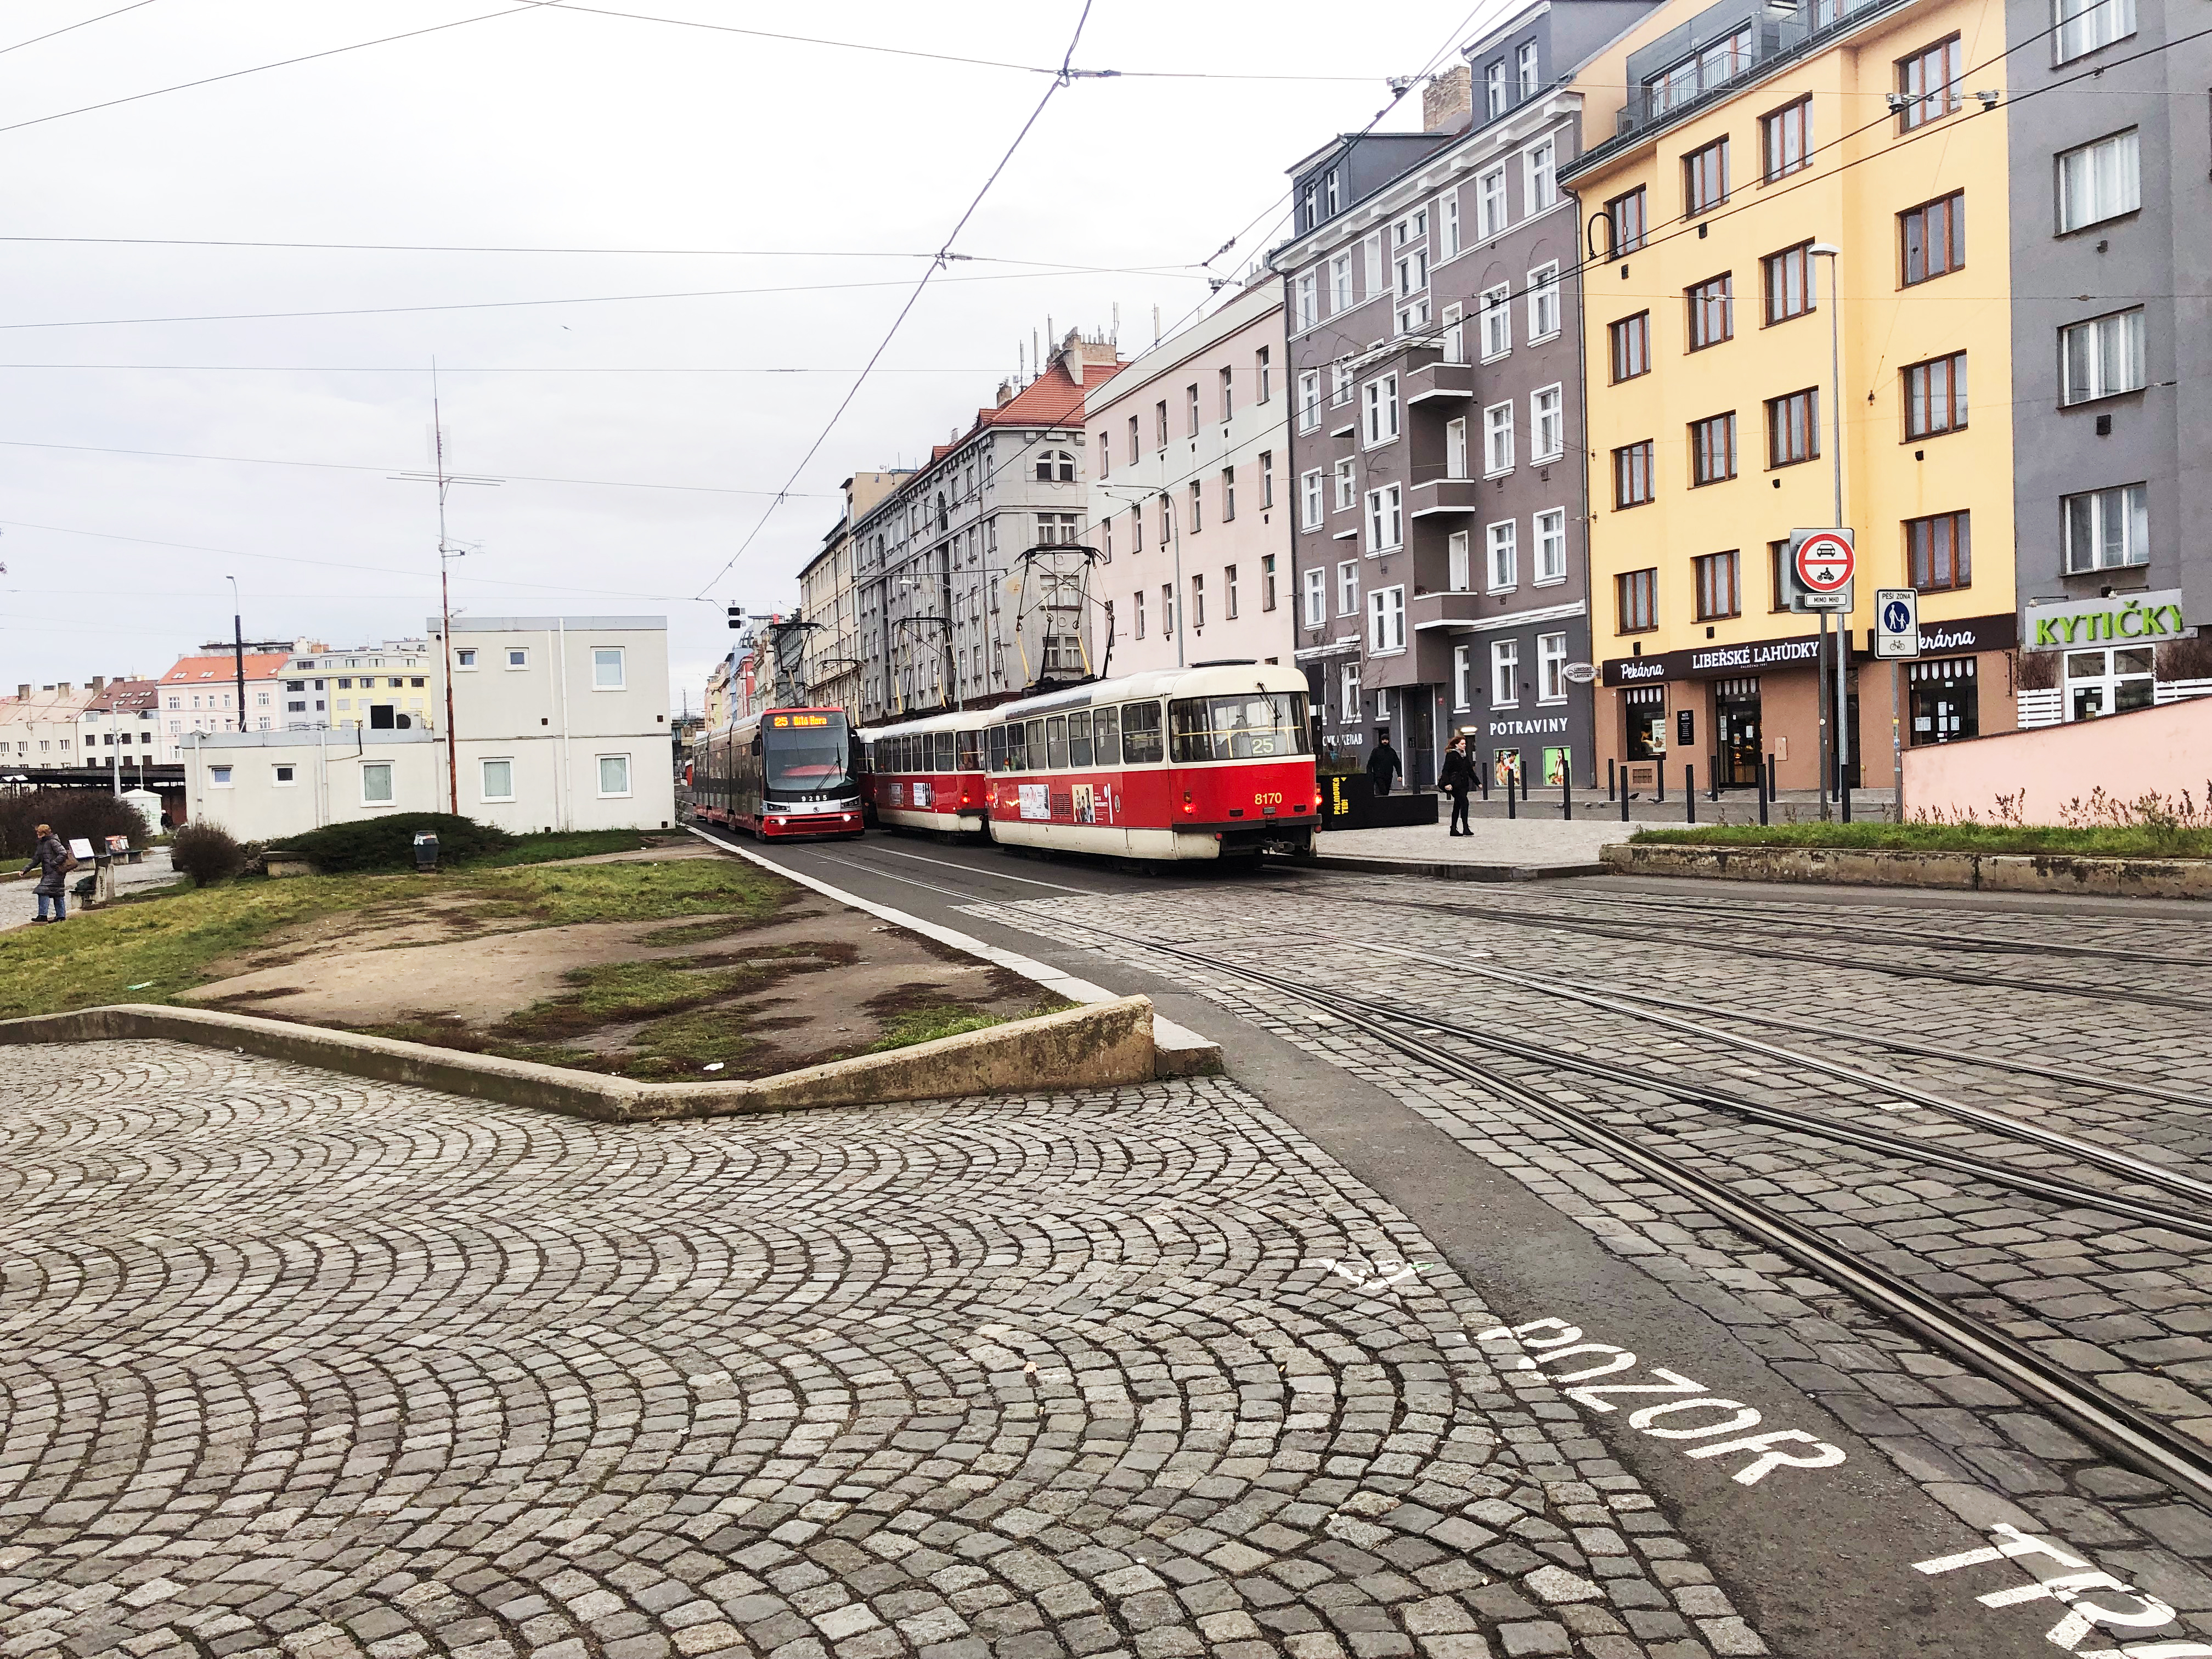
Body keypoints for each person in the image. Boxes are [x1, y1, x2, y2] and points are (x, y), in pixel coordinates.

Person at [21, 823, 73, 923]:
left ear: (45, 833)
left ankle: (43, 915)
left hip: (56, 872)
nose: (38, 835)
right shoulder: (42, 844)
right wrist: (25, 870)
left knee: (43, 891)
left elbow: (63, 853)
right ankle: (61, 916)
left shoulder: (53, 842)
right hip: (50, 872)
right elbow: (36, 859)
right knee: (57, 893)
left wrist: (53, 863)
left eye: (39, 833)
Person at [1438, 736, 1474, 836]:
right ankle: (1465, 827)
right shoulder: (1452, 755)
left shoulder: (1464, 756)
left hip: (1463, 784)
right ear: (1456, 745)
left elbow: (1470, 770)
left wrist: (1477, 782)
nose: (1465, 745)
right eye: (1462, 744)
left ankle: (1453, 828)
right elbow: (1445, 770)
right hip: (1454, 785)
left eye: (1465, 744)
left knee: (1457, 805)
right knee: (1465, 802)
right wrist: (1446, 784)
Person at [1367, 727, 1402, 797]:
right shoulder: (1376, 751)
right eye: (1383, 740)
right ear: (1381, 741)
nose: (1385, 741)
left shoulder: (1391, 752)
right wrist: (1370, 775)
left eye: (1386, 740)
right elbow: (1370, 763)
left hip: (1389, 776)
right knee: (1382, 791)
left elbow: (1397, 763)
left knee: (1386, 793)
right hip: (1378, 776)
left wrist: (1400, 775)